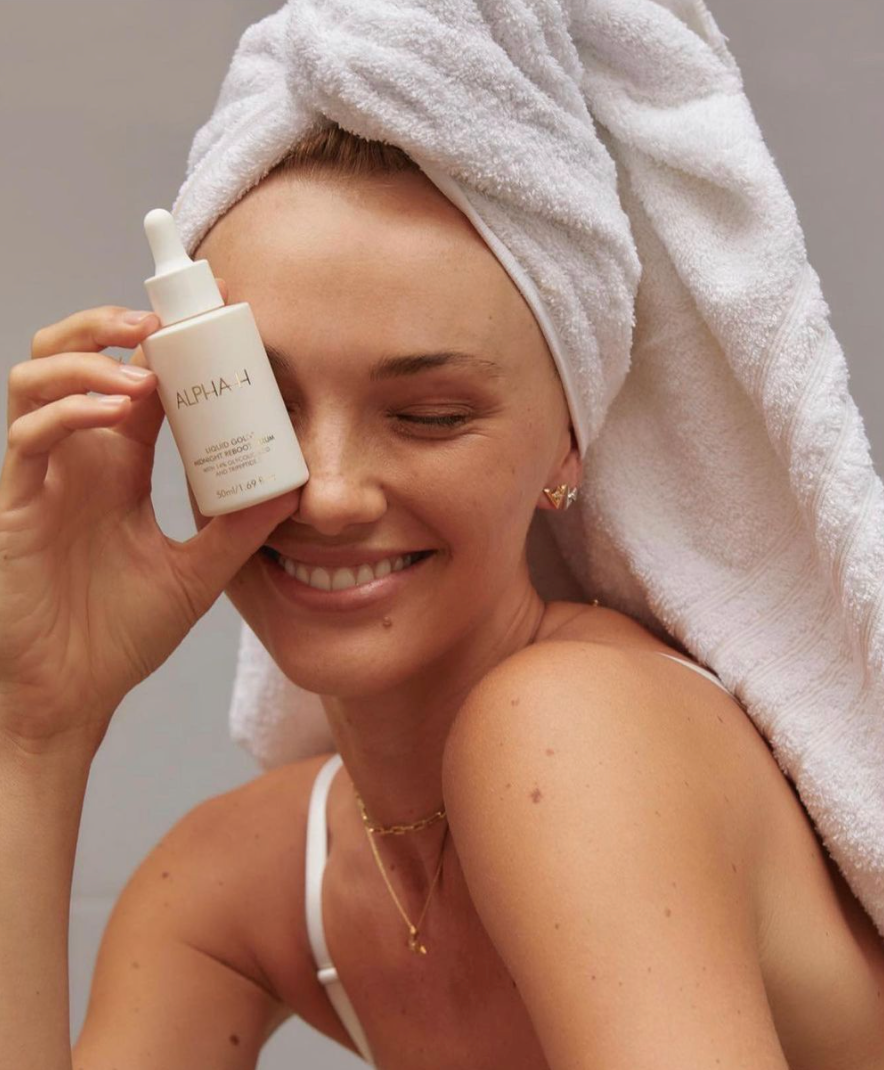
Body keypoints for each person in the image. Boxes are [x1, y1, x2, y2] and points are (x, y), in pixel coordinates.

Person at [2, 119, 883, 1069]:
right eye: (259, 402)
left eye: (430, 417)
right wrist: (34, 730)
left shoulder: (576, 726)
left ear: (568, 442)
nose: (331, 494)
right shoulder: (239, 881)